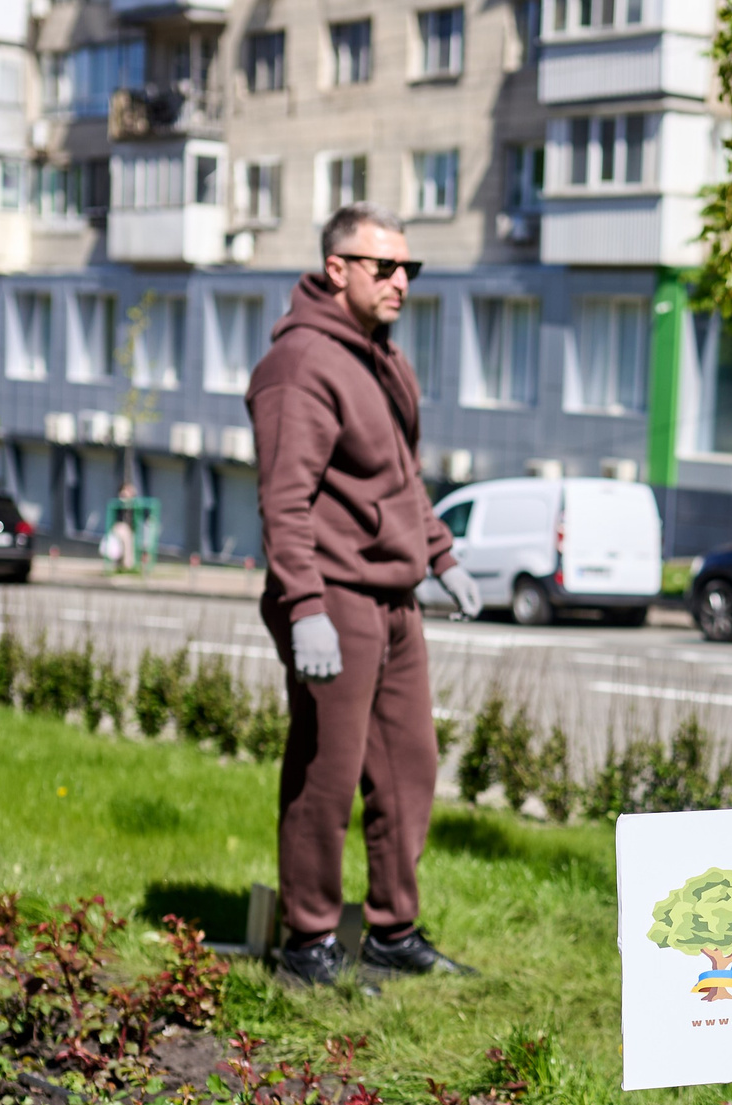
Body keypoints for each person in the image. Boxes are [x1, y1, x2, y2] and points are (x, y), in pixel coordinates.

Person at [247, 203, 485, 984]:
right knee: (328, 771)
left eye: (409, 268)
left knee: (411, 764)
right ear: (336, 268)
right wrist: (306, 606)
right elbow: (284, 498)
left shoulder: (381, 358)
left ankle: (392, 929)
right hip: (333, 594)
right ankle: (309, 939)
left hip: (393, 595)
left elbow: (400, 479)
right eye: (384, 267)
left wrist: (442, 556)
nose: (401, 282)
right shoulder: (301, 364)